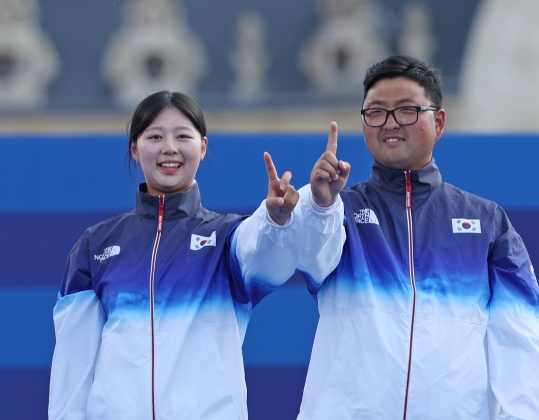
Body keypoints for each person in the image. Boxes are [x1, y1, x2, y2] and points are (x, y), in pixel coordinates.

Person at [47, 91, 346, 420]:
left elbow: (267, 260)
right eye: (156, 136)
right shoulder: (96, 245)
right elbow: (73, 370)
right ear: (134, 148)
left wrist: (274, 219)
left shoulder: (226, 237)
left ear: (202, 147)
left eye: (183, 136)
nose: (170, 148)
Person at [298, 55, 539, 420]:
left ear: (439, 122)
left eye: (406, 110)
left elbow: (519, 342)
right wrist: (319, 206)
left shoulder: (488, 222)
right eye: (377, 112)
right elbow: (297, 257)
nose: (390, 123)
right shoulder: (336, 211)